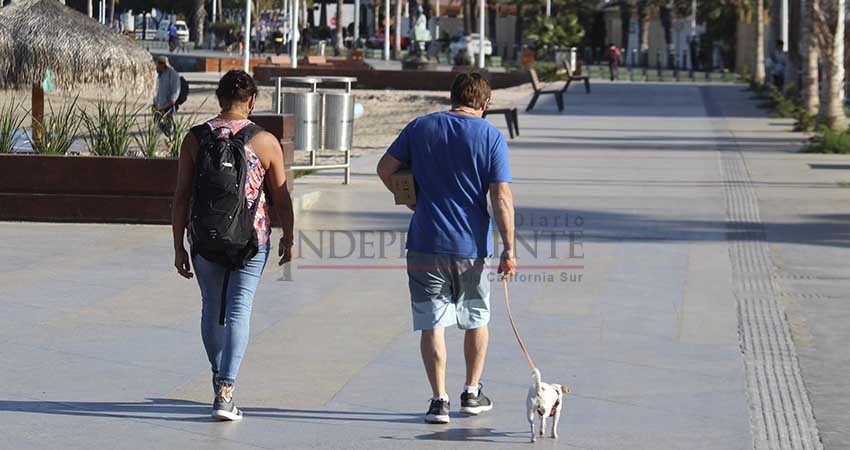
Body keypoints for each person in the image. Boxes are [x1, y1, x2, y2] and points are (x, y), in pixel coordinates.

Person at [376, 73, 517, 425]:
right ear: (485, 104)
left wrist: (412, 201)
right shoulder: (490, 136)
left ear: (452, 96)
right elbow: (501, 196)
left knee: (432, 324)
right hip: (470, 246)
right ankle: (471, 392)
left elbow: (384, 169)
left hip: (425, 241)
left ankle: (439, 400)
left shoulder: (421, 127)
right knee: (476, 319)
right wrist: (509, 249)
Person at [172, 70, 295, 421]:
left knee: (211, 307)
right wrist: (289, 235)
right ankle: (226, 391)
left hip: (204, 237)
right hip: (251, 240)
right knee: (239, 310)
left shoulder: (195, 138)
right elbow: (282, 197)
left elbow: (181, 197)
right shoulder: (266, 141)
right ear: (252, 101)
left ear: (219, 99)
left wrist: (179, 246)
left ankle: (218, 378)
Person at [153, 56, 181, 137]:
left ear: (163, 64)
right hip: (160, 105)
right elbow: (158, 91)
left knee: (169, 123)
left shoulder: (172, 74)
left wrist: (173, 100)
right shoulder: (160, 75)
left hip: (169, 104)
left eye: (158, 65)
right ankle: (169, 136)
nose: (156, 67)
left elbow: (176, 88)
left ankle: (172, 138)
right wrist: (155, 103)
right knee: (157, 121)